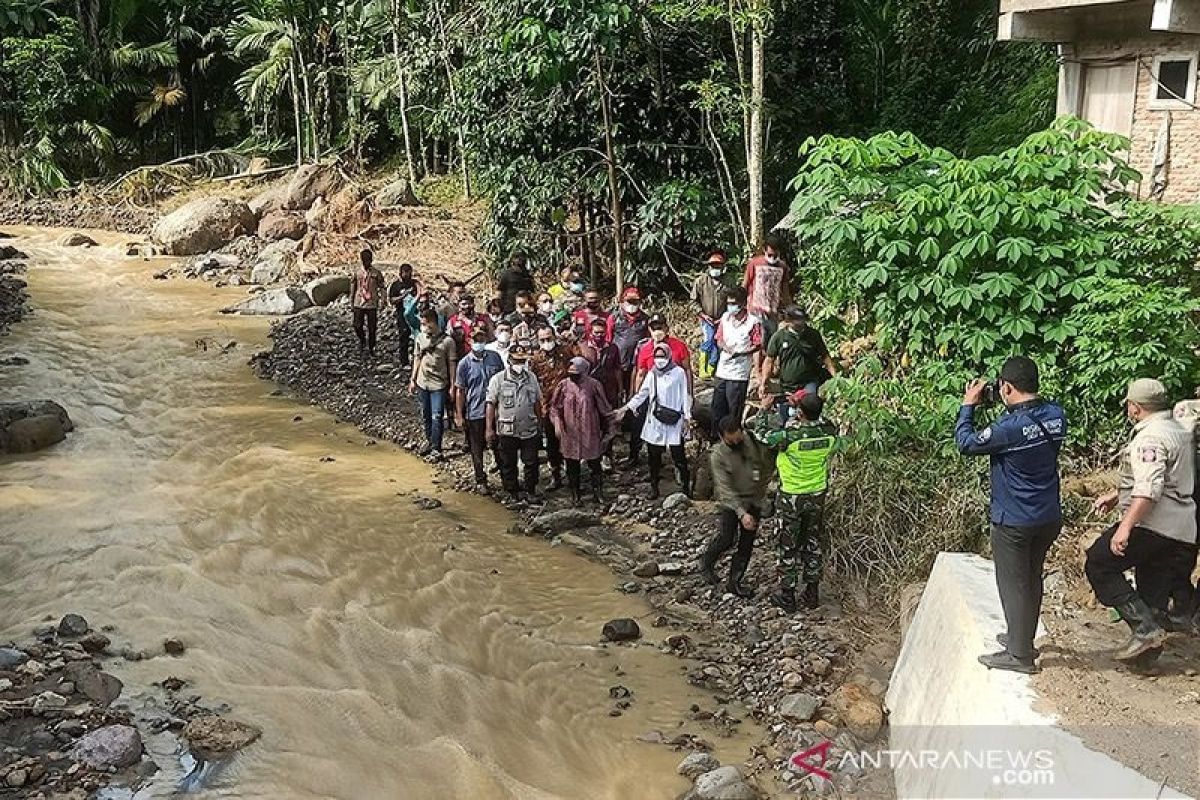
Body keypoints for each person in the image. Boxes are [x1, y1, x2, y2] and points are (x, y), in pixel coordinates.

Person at [955, 357, 1067, 674]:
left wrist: (968, 406)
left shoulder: (1008, 429)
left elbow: (965, 443)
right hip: (1047, 516)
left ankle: (1020, 656)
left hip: (1014, 520)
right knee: (1031, 579)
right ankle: (1020, 638)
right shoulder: (1057, 415)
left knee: (1013, 584)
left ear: (1006, 387)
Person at [1085, 378, 1196, 662]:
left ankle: (1145, 629)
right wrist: (1117, 493)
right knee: (1152, 592)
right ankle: (1144, 661)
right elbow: (1166, 476)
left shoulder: (1149, 437)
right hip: (1183, 526)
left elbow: (1149, 490)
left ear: (1134, 408)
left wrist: (1124, 527)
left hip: (1154, 524)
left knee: (1099, 562)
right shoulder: (1178, 430)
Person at [749, 391, 839, 612]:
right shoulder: (829, 431)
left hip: (791, 496)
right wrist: (805, 406)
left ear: (800, 412)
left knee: (786, 545)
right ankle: (811, 594)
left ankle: (787, 596)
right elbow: (823, 420)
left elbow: (762, 435)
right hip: (817, 494)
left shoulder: (790, 435)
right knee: (812, 543)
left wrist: (763, 410)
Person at [704, 414, 772, 598]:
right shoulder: (718, 455)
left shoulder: (752, 441)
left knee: (747, 542)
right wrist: (742, 514)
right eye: (731, 441)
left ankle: (734, 582)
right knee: (727, 538)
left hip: (754, 498)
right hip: (732, 502)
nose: (736, 442)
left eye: (738, 438)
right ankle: (706, 563)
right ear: (722, 438)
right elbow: (724, 488)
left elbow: (766, 461)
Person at [613, 343, 692, 499]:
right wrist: (625, 409)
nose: (659, 360)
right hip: (655, 420)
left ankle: (685, 488)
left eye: (662, 357)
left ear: (669, 356)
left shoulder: (679, 373)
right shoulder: (652, 374)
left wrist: (687, 417)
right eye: (657, 357)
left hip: (675, 419)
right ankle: (654, 488)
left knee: (679, 456)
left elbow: (685, 395)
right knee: (653, 457)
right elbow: (642, 395)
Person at [550, 356, 612, 504]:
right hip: (570, 433)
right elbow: (554, 408)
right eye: (570, 372)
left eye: (576, 373)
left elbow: (604, 408)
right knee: (572, 466)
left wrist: (611, 425)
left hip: (589, 431)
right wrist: (557, 424)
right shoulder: (563, 385)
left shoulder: (594, 385)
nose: (573, 376)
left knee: (594, 464)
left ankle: (598, 493)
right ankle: (575, 495)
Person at [760, 306, 838, 421]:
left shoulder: (813, 335)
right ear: (788, 321)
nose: (800, 323)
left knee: (808, 412)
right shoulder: (779, 337)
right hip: (787, 385)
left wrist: (835, 377)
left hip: (808, 382)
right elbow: (769, 360)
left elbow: (825, 357)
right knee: (786, 416)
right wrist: (764, 381)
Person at [486, 344, 543, 499]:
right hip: (507, 428)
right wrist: (489, 429)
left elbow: (537, 401)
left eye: (522, 361)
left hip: (529, 427)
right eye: (517, 361)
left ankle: (530, 490)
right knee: (508, 463)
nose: (520, 364)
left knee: (531, 462)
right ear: (509, 360)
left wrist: (540, 422)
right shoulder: (498, 379)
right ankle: (512, 491)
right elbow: (491, 404)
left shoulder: (531, 378)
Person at [455, 329, 505, 492]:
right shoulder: (464, 364)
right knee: (477, 448)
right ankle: (480, 480)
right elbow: (460, 390)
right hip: (475, 411)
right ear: (469, 341)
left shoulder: (495, 358)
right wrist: (459, 415)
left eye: (481, 338)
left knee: (499, 446)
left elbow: (504, 381)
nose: (479, 342)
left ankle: (507, 479)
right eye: (475, 339)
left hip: (497, 411)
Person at [711, 287, 763, 439]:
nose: (730, 306)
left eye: (733, 303)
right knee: (717, 407)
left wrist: (742, 352)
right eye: (728, 303)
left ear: (742, 303)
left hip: (739, 372)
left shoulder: (753, 322)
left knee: (734, 409)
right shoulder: (725, 317)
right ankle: (716, 439)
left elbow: (758, 344)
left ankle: (733, 439)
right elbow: (719, 338)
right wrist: (725, 347)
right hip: (722, 369)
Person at [409, 308, 458, 458]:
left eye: (426, 324)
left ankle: (437, 447)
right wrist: (412, 379)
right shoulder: (420, 338)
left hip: (439, 384)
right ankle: (429, 441)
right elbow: (417, 359)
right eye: (422, 324)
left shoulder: (448, 342)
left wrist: (452, 386)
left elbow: (452, 364)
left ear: (433, 323)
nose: (423, 327)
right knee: (426, 414)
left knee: (437, 416)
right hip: (422, 382)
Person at [532, 325, 572, 490]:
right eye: (542, 340)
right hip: (547, 407)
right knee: (551, 443)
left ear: (554, 337)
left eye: (549, 338)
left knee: (569, 439)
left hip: (567, 404)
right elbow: (533, 383)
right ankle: (555, 475)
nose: (546, 342)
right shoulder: (535, 359)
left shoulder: (567, 352)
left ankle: (572, 473)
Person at [743, 232, 794, 338]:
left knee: (771, 341)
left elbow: (785, 291)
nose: (772, 258)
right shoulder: (754, 263)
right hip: (755, 311)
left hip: (773, 313)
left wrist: (790, 309)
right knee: (757, 341)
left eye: (775, 255)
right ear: (764, 250)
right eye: (770, 255)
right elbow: (745, 285)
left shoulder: (782, 267)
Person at [692, 249, 730, 379]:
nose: (715, 268)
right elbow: (693, 301)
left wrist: (724, 317)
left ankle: (712, 368)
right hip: (706, 318)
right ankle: (703, 369)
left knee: (718, 344)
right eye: (713, 265)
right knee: (708, 341)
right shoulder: (701, 282)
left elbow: (733, 301)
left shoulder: (728, 283)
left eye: (718, 265)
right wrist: (702, 314)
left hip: (722, 319)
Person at [633, 314, 693, 394]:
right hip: (654, 393)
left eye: (660, 328)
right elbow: (641, 375)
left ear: (666, 328)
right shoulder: (645, 350)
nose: (657, 331)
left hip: (675, 392)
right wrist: (637, 396)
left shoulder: (679, 346)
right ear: (649, 330)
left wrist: (689, 393)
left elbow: (687, 370)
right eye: (654, 328)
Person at [350, 249, 386, 356]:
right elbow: (353, 287)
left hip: (371, 303)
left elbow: (382, 287)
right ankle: (362, 340)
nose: (366, 263)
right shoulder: (357, 273)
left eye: (368, 260)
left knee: (372, 327)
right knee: (357, 325)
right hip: (359, 302)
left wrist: (383, 300)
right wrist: (351, 302)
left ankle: (371, 347)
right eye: (364, 261)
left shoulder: (376, 273)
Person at [387, 263, 418, 368]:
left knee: (417, 336)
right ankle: (404, 361)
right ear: (400, 273)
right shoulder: (396, 285)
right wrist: (403, 296)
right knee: (404, 336)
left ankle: (416, 360)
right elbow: (392, 300)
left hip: (415, 314)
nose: (408, 276)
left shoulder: (414, 283)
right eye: (406, 273)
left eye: (410, 273)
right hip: (402, 313)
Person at [497, 250, 535, 315]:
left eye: (522, 257)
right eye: (517, 257)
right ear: (512, 260)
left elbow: (531, 292)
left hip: (524, 309)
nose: (520, 259)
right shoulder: (507, 274)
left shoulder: (527, 275)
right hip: (509, 309)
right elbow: (500, 291)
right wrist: (500, 306)